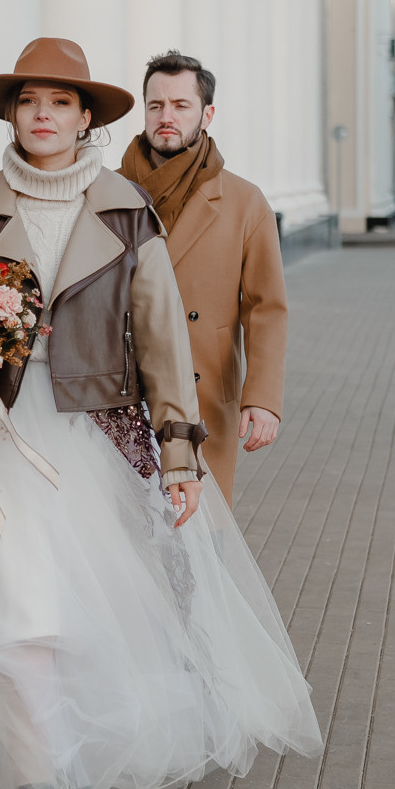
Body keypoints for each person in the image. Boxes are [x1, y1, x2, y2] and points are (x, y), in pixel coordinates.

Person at [0, 38, 321, 789]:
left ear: (84, 118)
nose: (43, 115)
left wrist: (179, 455)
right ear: (11, 114)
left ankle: (79, 752)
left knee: (79, 613)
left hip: (89, 439)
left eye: (60, 102)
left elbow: (163, 339)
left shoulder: (125, 211)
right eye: (29, 101)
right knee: (13, 616)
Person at [121, 51, 288, 506]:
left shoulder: (245, 201)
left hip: (204, 395)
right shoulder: (109, 193)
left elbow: (266, 308)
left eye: (181, 105)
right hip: (120, 393)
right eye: (156, 105)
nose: (166, 117)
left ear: (207, 114)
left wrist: (263, 396)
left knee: (200, 526)